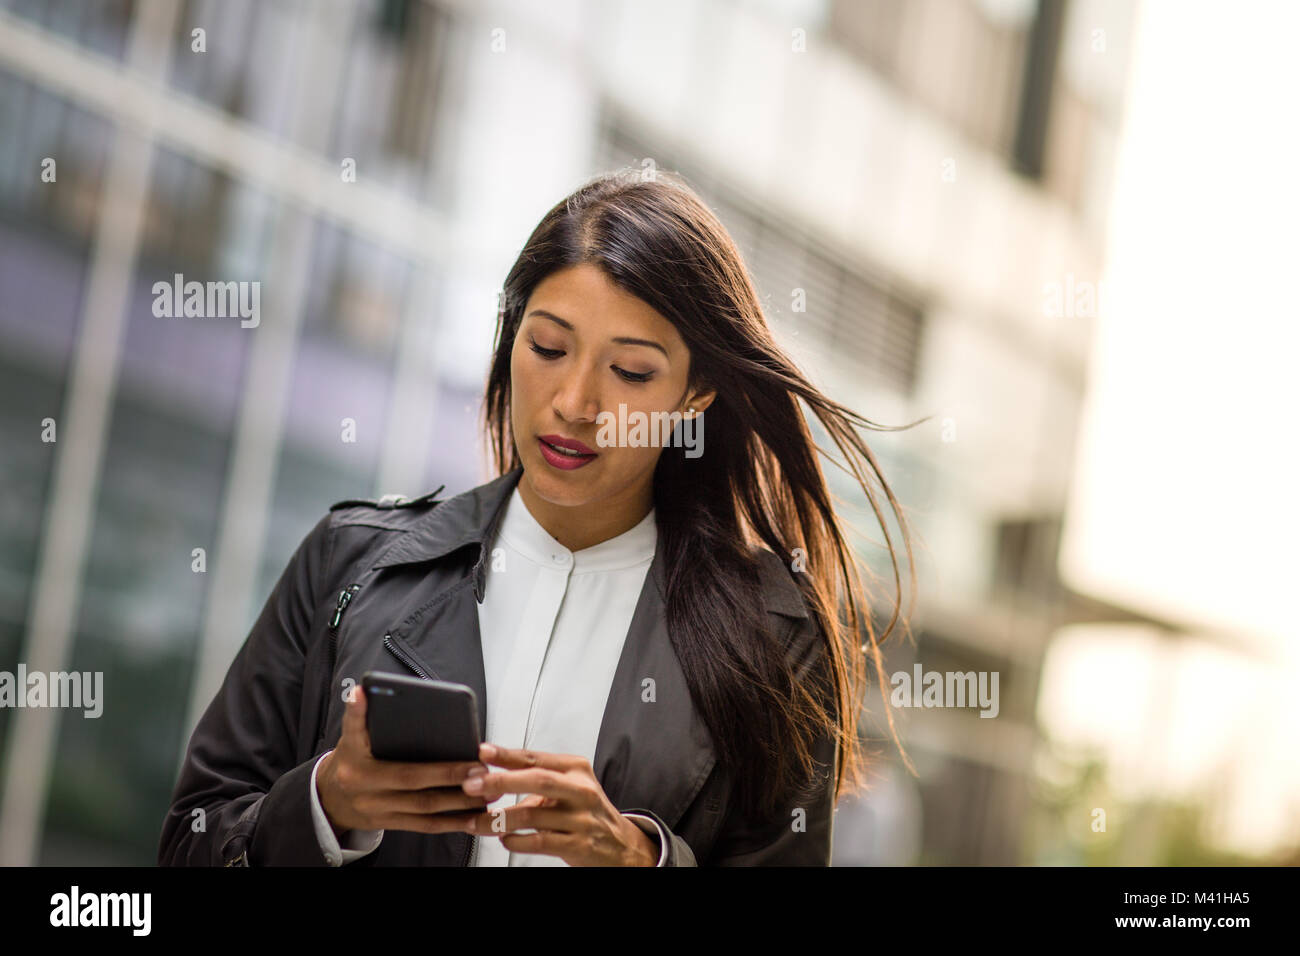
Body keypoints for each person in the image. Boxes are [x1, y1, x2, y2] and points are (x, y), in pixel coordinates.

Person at [157, 169, 919, 867]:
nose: (575, 404)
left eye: (630, 371)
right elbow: (192, 841)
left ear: (696, 395)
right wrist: (327, 805)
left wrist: (640, 860)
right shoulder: (349, 565)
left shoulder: (776, 638)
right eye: (549, 347)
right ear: (510, 337)